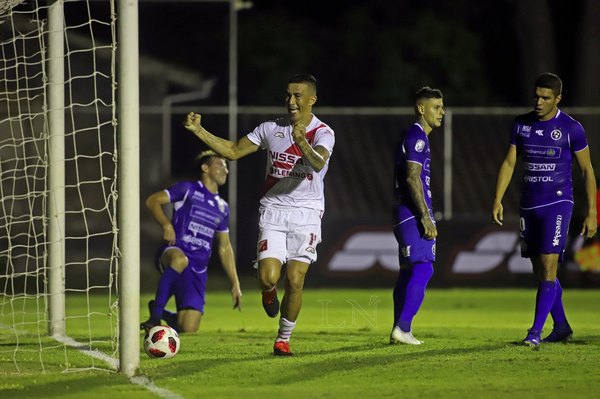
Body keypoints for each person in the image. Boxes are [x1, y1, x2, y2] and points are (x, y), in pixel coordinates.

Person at [183, 74, 335, 356]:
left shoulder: (323, 132)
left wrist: (302, 143)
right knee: (268, 277)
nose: (291, 101)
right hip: (274, 211)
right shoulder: (270, 128)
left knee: (296, 279)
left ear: (312, 100)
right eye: (288, 95)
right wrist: (199, 131)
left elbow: (317, 163)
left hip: (307, 213)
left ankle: (283, 338)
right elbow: (233, 150)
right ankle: (267, 291)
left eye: (298, 96)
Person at [492, 72, 597, 348]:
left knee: (549, 266)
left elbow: (587, 170)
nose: (539, 102)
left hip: (558, 204)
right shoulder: (522, 124)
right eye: (536, 96)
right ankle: (561, 326)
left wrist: (592, 211)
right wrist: (498, 198)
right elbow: (509, 163)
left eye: (545, 97)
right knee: (540, 270)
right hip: (529, 206)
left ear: (557, 99)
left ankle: (535, 333)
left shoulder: (572, 128)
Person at [140, 150, 242, 333]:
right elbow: (152, 201)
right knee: (180, 260)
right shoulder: (187, 189)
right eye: (220, 165)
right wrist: (166, 225)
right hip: (174, 251)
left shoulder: (222, 207)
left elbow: (225, 247)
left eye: (226, 167)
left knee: (188, 328)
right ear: (205, 168)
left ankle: (159, 309)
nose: (225, 170)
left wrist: (235, 283)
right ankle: (154, 318)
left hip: (198, 268)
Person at [391, 86, 444, 345]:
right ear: (421, 109)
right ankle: (403, 327)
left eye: (442, 107)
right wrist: (425, 216)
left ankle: (399, 329)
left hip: (404, 211)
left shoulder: (414, 135)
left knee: (407, 271)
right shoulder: (417, 136)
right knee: (425, 269)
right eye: (436, 107)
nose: (441, 112)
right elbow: (412, 177)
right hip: (412, 212)